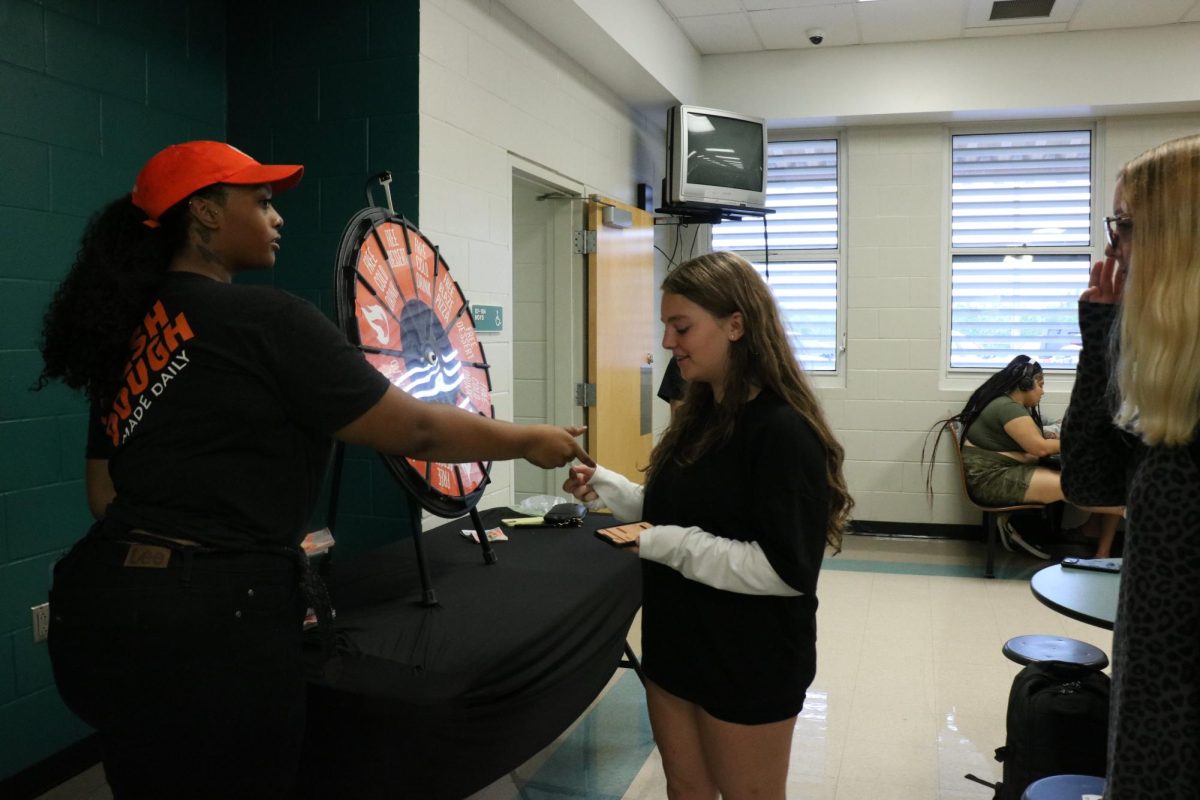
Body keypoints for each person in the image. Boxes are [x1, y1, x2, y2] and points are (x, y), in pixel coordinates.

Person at [35, 140, 591, 800]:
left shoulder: (128, 335)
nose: (279, 218)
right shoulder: (266, 318)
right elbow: (412, 426)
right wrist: (528, 439)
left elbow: (104, 494)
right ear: (206, 215)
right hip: (215, 625)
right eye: (262, 201)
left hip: (103, 607)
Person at [563, 251, 852, 799]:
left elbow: (783, 570)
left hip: (749, 657)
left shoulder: (784, 433)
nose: (669, 342)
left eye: (682, 326)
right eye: (667, 326)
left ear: (736, 325)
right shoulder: (700, 415)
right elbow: (684, 513)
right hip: (677, 643)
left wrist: (665, 544)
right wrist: (611, 488)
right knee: (686, 789)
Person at [1061, 134, 1200, 799]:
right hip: (1150, 712)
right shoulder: (1176, 388)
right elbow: (1090, 481)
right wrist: (1100, 338)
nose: (1113, 252)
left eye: (1124, 228)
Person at [926, 355, 1121, 559]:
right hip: (993, 480)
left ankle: (1101, 534)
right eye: (1040, 385)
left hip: (997, 473)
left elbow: (1034, 442)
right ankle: (1127, 514)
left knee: (1095, 482)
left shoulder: (1007, 404)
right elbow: (1040, 448)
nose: (1043, 391)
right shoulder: (1008, 408)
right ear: (1026, 384)